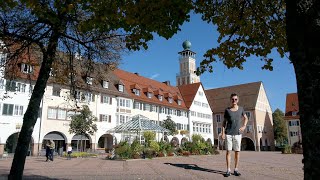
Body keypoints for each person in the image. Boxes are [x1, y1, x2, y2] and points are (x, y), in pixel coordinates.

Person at [221, 93, 248, 177]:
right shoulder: (227, 110)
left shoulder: (241, 109)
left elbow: (246, 118)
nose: (234, 101)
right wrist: (222, 133)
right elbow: (224, 122)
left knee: (237, 152)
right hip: (228, 133)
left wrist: (244, 126)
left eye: (235, 99)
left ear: (238, 100)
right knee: (228, 151)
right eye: (232, 99)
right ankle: (228, 170)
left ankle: (236, 169)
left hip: (238, 134)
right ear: (230, 100)